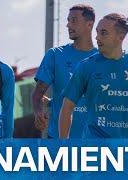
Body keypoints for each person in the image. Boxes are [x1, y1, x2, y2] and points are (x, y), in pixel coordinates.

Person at [32, 4, 97, 138]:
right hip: (57, 141)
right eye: (67, 20)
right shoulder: (55, 55)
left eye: (73, 20)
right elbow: (37, 94)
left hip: (93, 144)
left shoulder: (103, 59)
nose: (68, 25)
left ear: (89, 24)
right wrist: (38, 112)